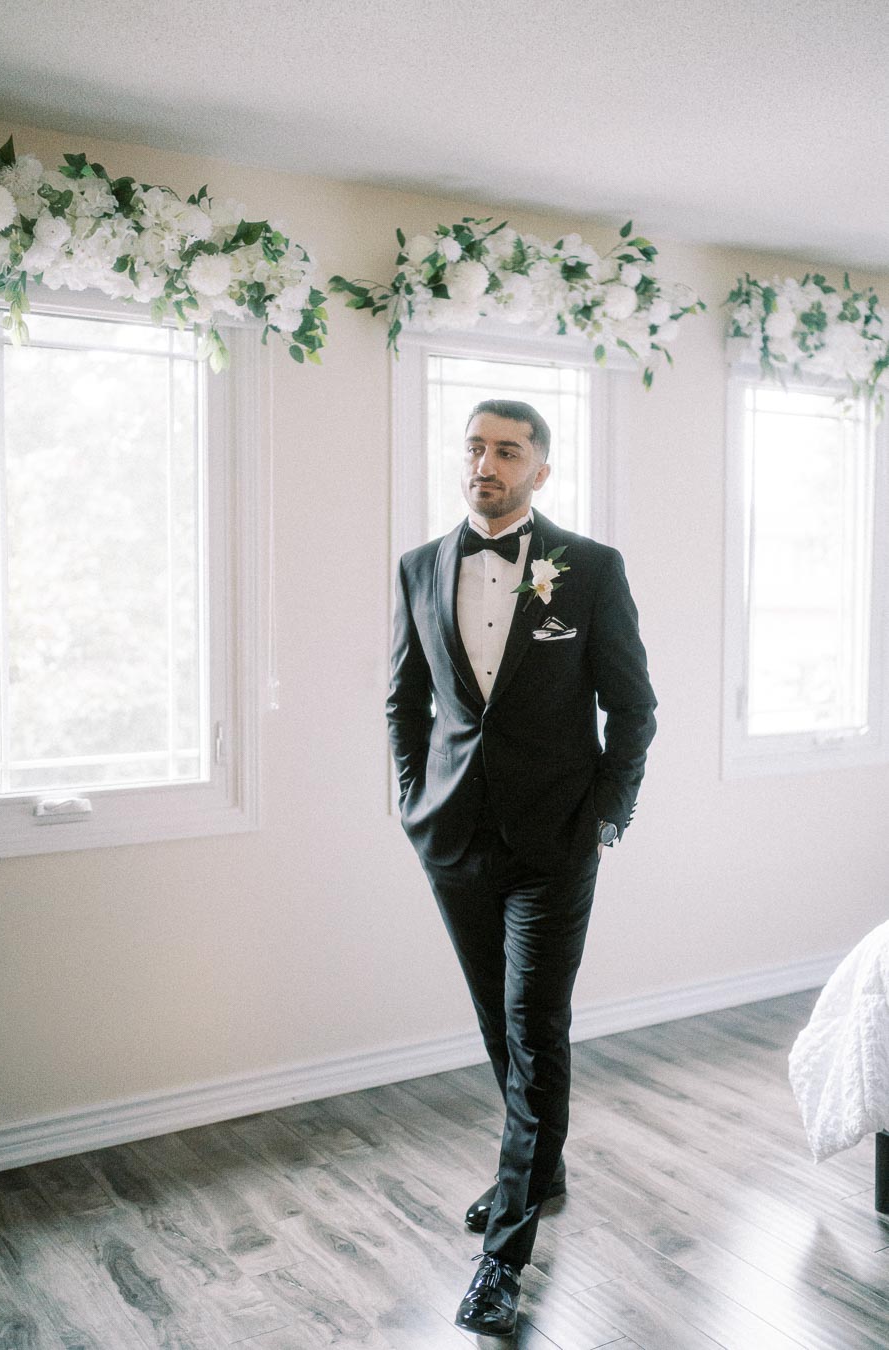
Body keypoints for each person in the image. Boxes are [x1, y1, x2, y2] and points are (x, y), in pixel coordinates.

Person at [386, 398, 657, 1337]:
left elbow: (634, 708)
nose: (485, 464)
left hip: (555, 844)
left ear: (541, 468)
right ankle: (540, 1170)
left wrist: (605, 817)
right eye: (474, 448)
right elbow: (403, 701)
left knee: (534, 1027)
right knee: (496, 1025)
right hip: (454, 842)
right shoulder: (421, 568)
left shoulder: (590, 569)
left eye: (507, 450)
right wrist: (415, 800)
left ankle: (502, 1258)